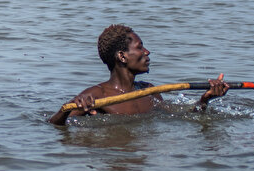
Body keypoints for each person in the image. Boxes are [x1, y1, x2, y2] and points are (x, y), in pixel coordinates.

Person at [48, 24, 228, 125]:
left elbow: (183, 119)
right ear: (122, 56)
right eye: (140, 47)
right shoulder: (96, 95)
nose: (147, 52)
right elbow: (53, 125)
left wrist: (205, 100)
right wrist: (67, 109)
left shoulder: (149, 91)